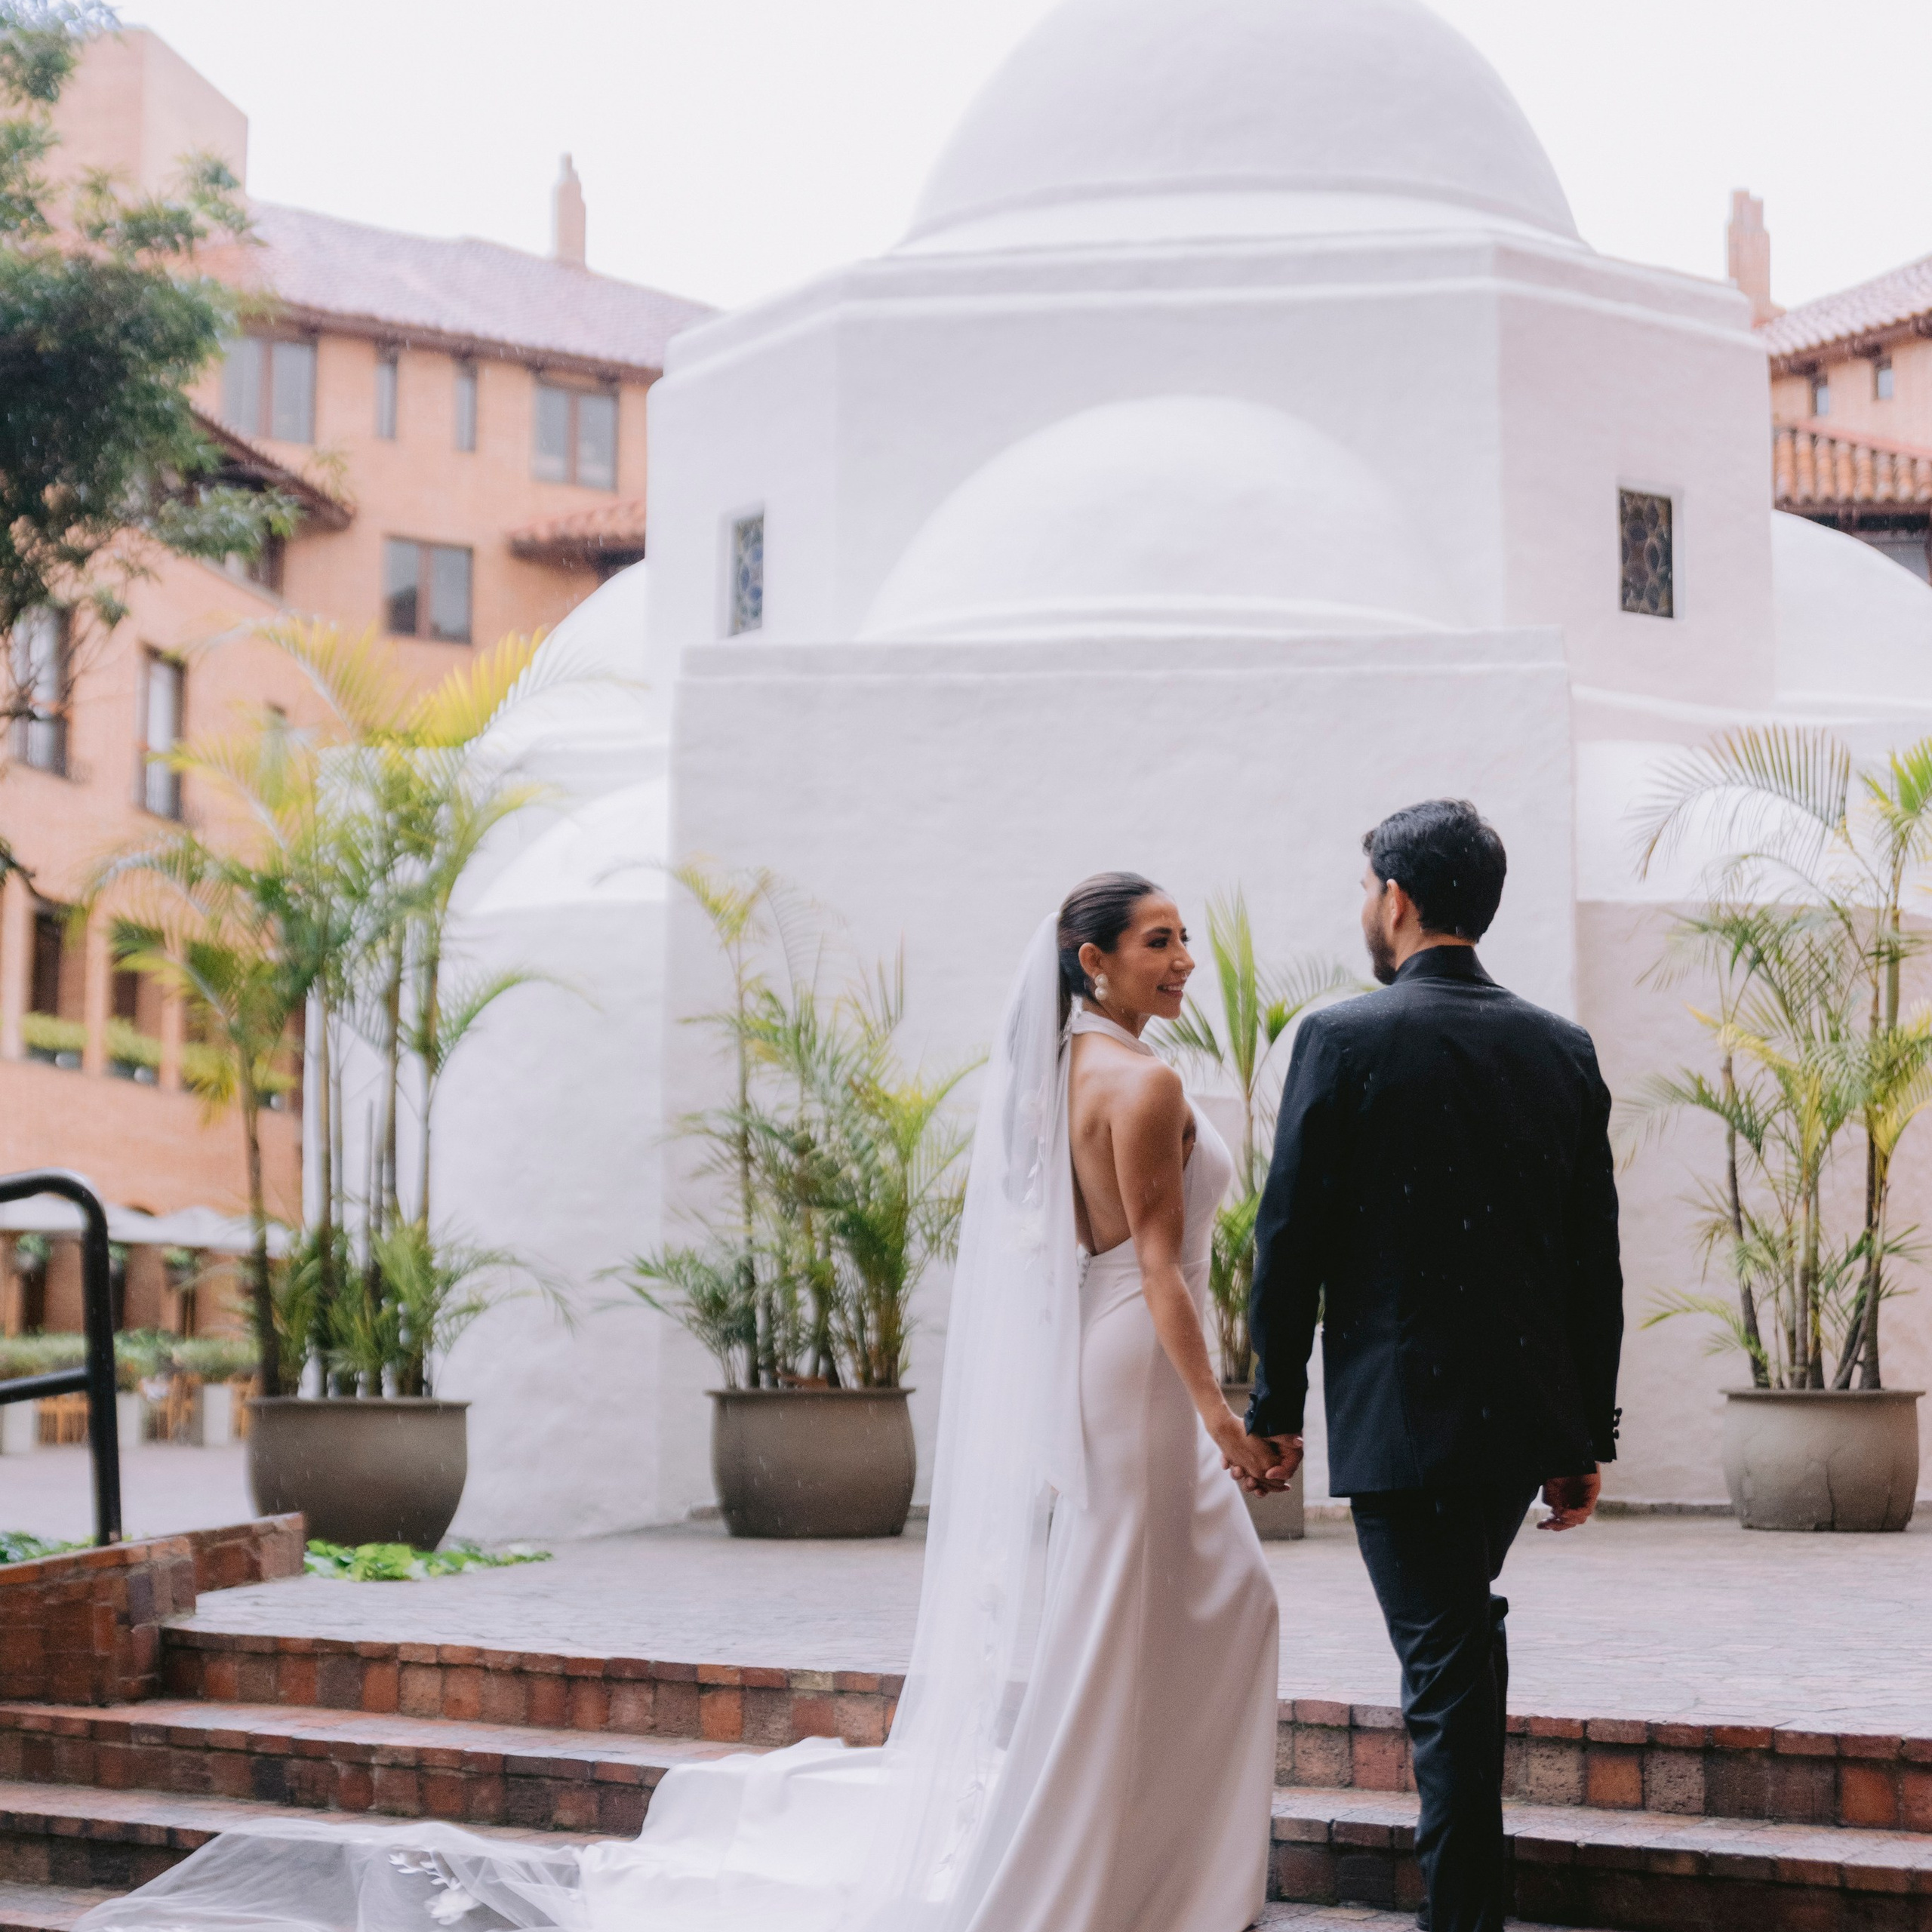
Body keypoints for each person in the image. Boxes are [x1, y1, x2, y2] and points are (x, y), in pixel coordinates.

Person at [78, 875, 1279, 1932]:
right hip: (1139, 1362)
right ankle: (1123, 1881)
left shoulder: (1054, 1074)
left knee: (1168, 1608)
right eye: (1159, 942)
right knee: (1173, 1606)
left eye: (1182, 941)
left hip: (1100, 1353)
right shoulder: (1148, 1085)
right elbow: (1164, 1271)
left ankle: (1146, 1867)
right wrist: (1224, 1419)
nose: (1180, 961)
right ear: (1095, 961)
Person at [1238, 800, 1623, 1932]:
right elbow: (1589, 1261)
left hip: (1400, 1428)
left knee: (1445, 1671)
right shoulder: (1561, 1048)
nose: (1368, 908)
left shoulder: (1342, 1040)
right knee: (1455, 1642)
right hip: (1514, 1426)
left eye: (1369, 889)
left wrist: (1275, 1406)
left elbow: (1287, 1241)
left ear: (1397, 899)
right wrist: (1582, 1439)